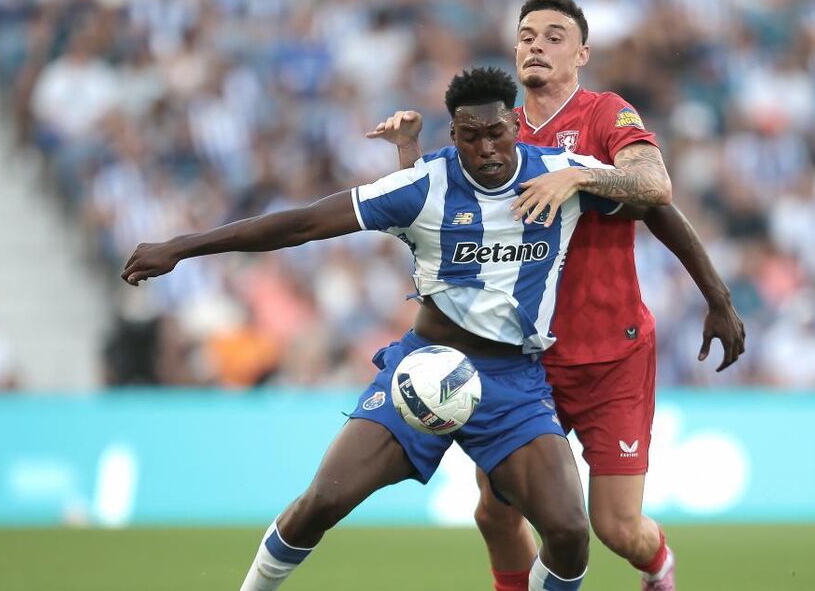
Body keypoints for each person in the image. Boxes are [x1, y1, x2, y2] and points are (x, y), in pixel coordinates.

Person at [122, 67, 670, 591]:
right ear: (452, 134)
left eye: (497, 133)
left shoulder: (561, 173)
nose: (486, 149)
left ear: (514, 125)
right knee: (323, 502)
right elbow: (304, 222)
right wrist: (181, 247)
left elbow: (656, 201)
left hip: (512, 381)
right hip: (423, 369)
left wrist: (715, 295)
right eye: (471, 136)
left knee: (571, 533)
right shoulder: (423, 184)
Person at [368, 0, 746, 591]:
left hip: (611, 356)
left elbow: (656, 189)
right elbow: (436, 216)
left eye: (552, 36)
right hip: (525, 362)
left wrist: (717, 297)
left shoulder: (604, 115)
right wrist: (409, 152)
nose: (536, 45)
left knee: (617, 529)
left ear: (581, 55)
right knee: (493, 511)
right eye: (526, 36)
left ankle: (658, 565)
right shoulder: (497, 133)